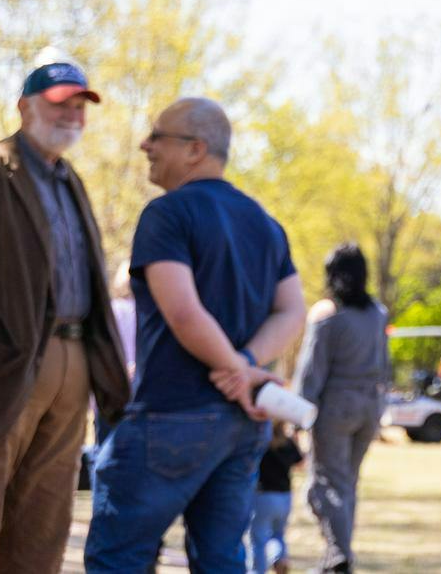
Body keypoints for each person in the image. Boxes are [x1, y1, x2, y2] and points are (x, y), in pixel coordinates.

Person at [85, 97, 306, 574]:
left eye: (156, 136)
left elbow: (183, 312)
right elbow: (292, 312)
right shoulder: (267, 226)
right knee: (222, 559)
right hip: (242, 426)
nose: (146, 145)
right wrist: (245, 367)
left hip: (171, 415)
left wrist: (237, 369)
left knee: (116, 557)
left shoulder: (166, 215)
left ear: (194, 149)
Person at [0, 61, 131, 574]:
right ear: (24, 105)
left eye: (79, 104)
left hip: (74, 362)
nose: (72, 113)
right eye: (59, 101)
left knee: (43, 524)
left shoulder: (68, 178)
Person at [294, 243, 391, 572]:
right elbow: (384, 364)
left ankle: (338, 557)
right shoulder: (377, 313)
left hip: (336, 409)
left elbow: (311, 371)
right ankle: (335, 557)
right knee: (346, 483)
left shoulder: (327, 314)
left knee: (325, 485)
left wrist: (296, 414)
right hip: (369, 407)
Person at [247, 423, 302, 574]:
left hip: (263, 495)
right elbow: (300, 462)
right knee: (277, 534)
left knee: (257, 539)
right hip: (285, 496)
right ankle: (279, 558)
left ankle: (257, 570)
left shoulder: (260, 442)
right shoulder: (288, 442)